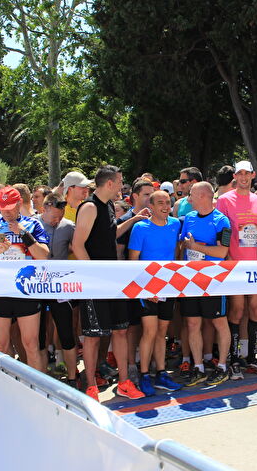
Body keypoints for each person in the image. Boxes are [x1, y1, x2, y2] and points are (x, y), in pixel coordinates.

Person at [72, 165, 144, 402]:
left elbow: (109, 234)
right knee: (93, 336)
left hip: (112, 279)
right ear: (110, 183)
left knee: (120, 330)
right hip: (95, 281)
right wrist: (94, 274)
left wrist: (133, 219)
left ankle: (124, 382)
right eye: (120, 181)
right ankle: (91, 386)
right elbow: (77, 245)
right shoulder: (90, 207)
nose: (122, 186)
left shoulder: (109, 206)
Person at [0, 186, 50, 372]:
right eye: (2, 207)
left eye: (10, 207)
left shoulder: (32, 225)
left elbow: (44, 255)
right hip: (0, 293)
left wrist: (23, 234)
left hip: (26, 292)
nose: (5, 211)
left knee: (31, 345)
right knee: (1, 348)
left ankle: (39, 392)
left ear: (20, 203)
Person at [216, 161, 257, 379]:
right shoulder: (224, 199)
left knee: (256, 309)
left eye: (247, 173)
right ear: (235, 177)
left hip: (254, 265)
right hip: (234, 265)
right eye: (240, 174)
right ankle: (235, 358)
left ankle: (252, 357)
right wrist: (228, 258)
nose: (244, 177)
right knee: (237, 310)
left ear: (253, 175)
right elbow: (223, 231)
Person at [178, 182, 233, 386]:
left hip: (213, 279)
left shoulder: (222, 220)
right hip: (190, 279)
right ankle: (198, 367)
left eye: (191, 195)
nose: (188, 199)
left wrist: (196, 246)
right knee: (192, 323)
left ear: (203, 196)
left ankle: (222, 366)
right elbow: (184, 245)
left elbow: (222, 252)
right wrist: (188, 247)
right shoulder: (189, 218)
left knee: (219, 322)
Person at [128, 190, 183, 395]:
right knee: (150, 332)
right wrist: (143, 288)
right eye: (160, 203)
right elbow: (133, 262)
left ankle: (161, 373)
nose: (165, 206)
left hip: (167, 287)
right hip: (147, 289)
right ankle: (144, 375)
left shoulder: (176, 224)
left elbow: (176, 252)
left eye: (168, 202)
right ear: (150, 206)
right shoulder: (140, 227)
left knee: (162, 332)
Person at [37, 193, 79, 388]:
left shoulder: (68, 226)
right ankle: (41, 377)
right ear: (44, 208)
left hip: (60, 287)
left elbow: (78, 246)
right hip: (37, 286)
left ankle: (73, 376)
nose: (57, 221)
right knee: (39, 335)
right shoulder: (32, 224)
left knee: (66, 332)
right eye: (54, 217)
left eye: (60, 217)